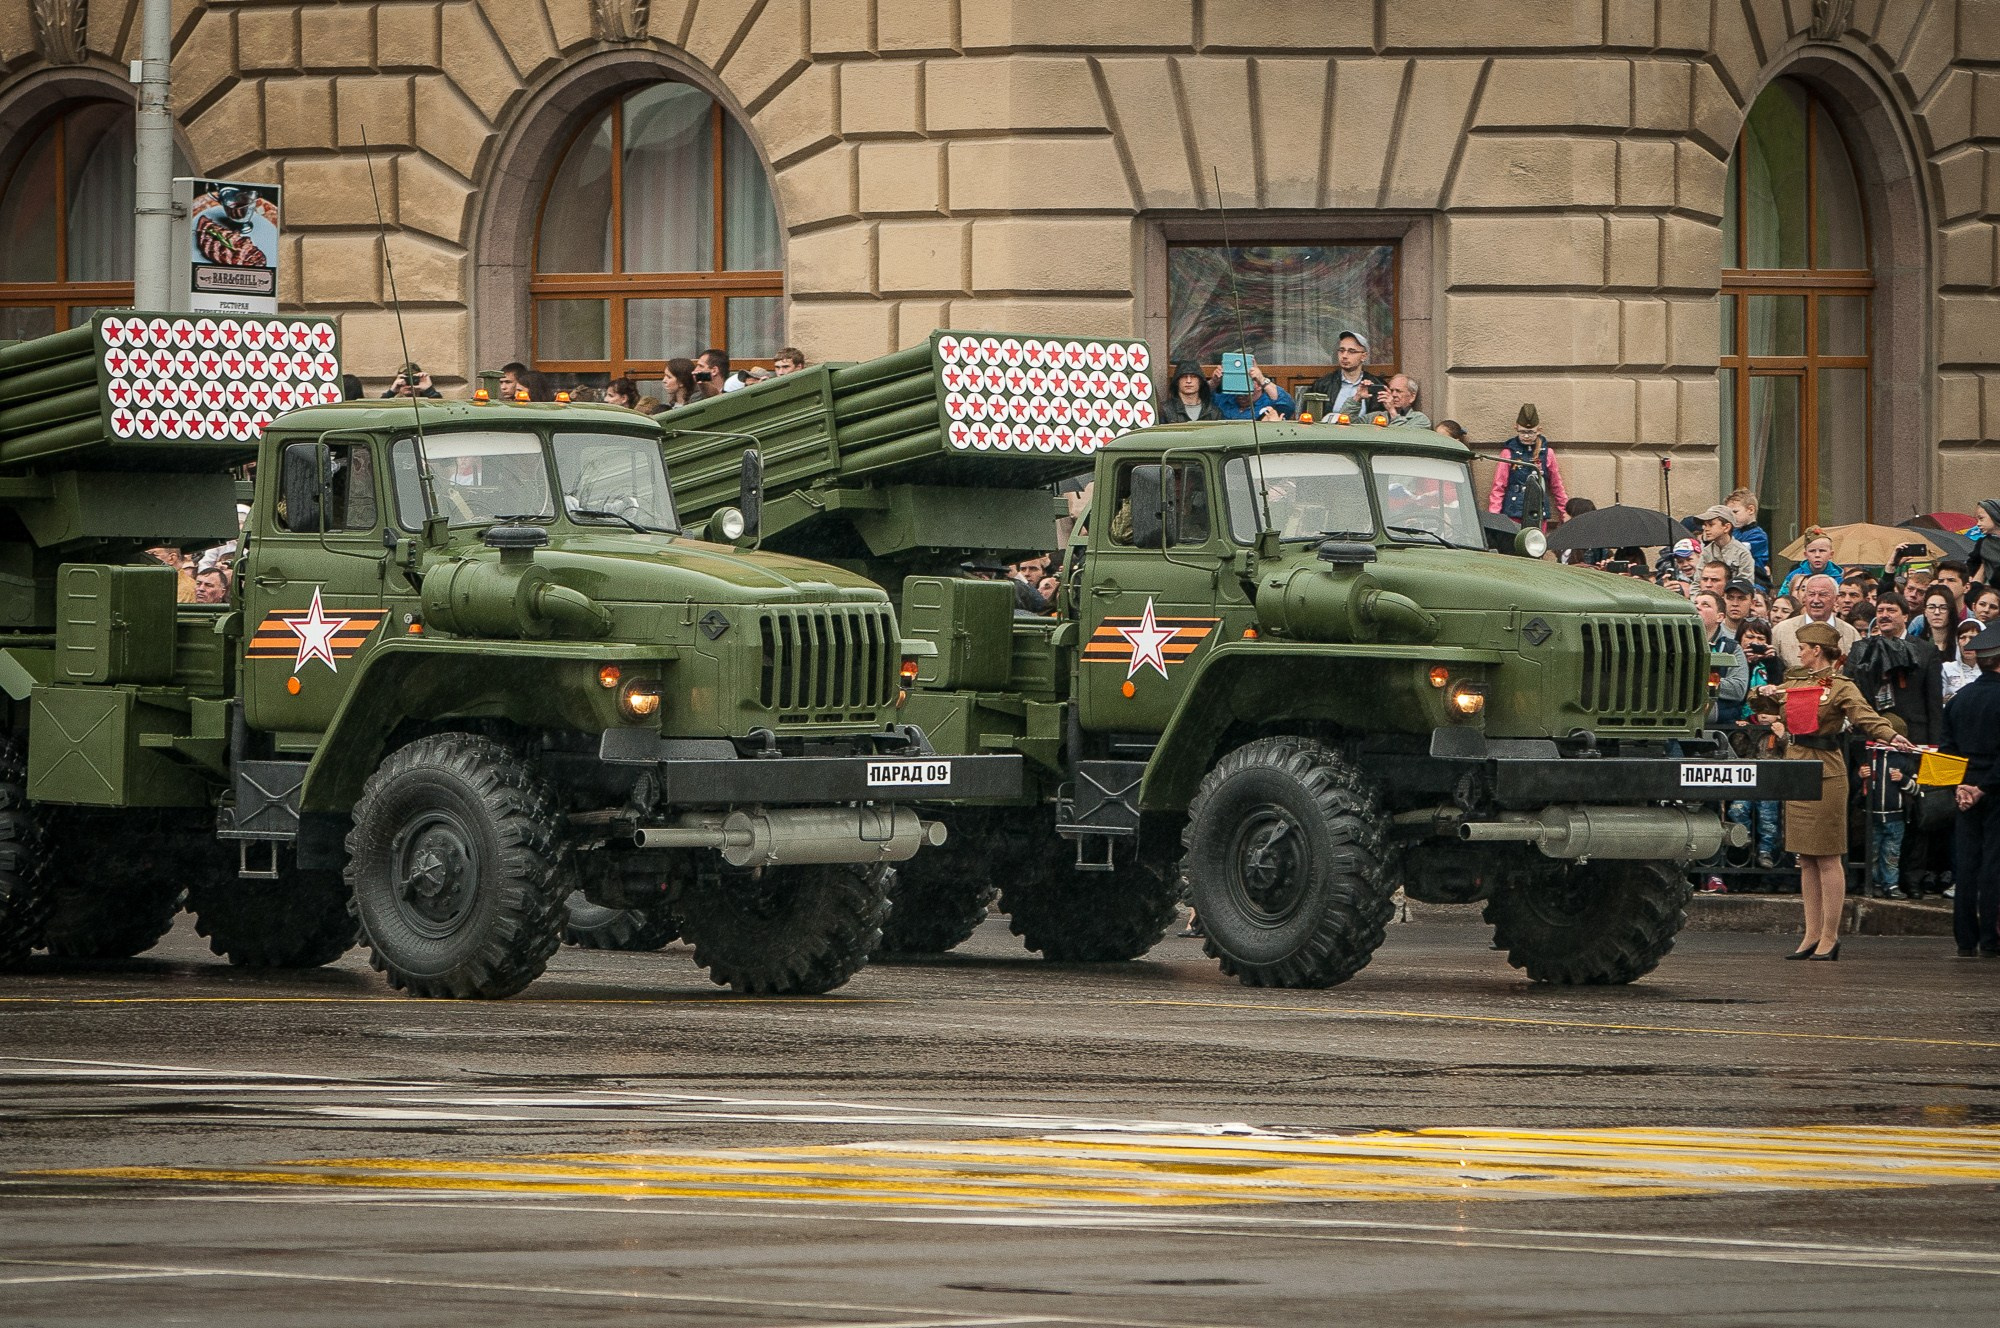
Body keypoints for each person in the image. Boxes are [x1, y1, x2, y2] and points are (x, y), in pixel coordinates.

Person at [1749, 622, 1916, 959]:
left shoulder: (1840, 686)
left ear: (1817, 651)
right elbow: (1760, 707)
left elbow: (1865, 715)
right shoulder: (1795, 680)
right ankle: (1810, 934)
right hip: (1796, 766)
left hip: (1825, 768)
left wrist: (1890, 735)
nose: (1798, 651)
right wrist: (1762, 693)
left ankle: (1830, 935)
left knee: (1826, 855)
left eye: (1804, 647)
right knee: (1805, 857)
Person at [1940, 619, 2000, 957]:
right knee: (1993, 864)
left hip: (1964, 787)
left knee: (1967, 863)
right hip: (1993, 789)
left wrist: (1961, 786)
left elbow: (1947, 748)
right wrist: (1983, 787)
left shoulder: (1959, 699)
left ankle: (1965, 938)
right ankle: (1991, 938)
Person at [1729, 617, 1784, 869]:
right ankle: (1739, 853)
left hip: (1768, 743)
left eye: (1761, 640)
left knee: (1768, 807)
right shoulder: (1733, 662)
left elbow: (1783, 692)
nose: (1755, 644)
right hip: (1741, 741)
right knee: (1739, 806)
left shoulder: (1775, 664)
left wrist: (1772, 662)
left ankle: (1766, 854)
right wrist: (1745, 663)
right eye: (1749, 638)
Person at [1487, 403, 1568, 528]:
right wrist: (1494, 517)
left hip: (1538, 510)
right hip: (1513, 511)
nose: (1526, 436)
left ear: (1539, 430)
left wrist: (1565, 513)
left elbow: (1557, 486)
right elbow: (1498, 486)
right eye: (1522, 432)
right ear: (1516, 428)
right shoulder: (1508, 453)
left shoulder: (1547, 453)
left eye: (1530, 432)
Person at [1772, 574, 1861, 667]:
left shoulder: (1851, 634)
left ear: (1836, 599)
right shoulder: (1781, 632)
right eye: (1811, 594)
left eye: (1823, 595)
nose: (1816, 600)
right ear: (1804, 598)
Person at [1694, 591, 1748, 726]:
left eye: (1705, 605)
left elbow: (1738, 689)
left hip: (1718, 724)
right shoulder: (1676, 645)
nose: (1697, 607)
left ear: (1720, 617)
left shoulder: (1732, 648)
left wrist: (1698, 681)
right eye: (1695, 603)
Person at [1306, 330, 1384, 418]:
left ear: (1364, 356)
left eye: (1351, 351)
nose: (1344, 356)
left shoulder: (1377, 385)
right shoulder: (1323, 384)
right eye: (1341, 350)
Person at [1692, 503, 1756, 585]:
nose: (1706, 529)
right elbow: (1697, 583)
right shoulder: (1706, 552)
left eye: (1711, 525)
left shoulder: (1742, 553)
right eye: (1705, 525)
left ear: (1726, 527)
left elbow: (1746, 585)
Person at [1215, 361, 1294, 421]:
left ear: (1259, 386)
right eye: (1238, 383)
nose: (1241, 392)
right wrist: (1214, 382)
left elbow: (1288, 405)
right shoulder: (1226, 399)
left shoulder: (1269, 403)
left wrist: (1262, 380)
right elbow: (1205, 398)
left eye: (1246, 383)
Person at [1777, 530, 1843, 596]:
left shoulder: (1838, 578)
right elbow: (1783, 598)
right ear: (1805, 555)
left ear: (1831, 554)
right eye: (1812, 551)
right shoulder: (1794, 576)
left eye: (1822, 551)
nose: (1817, 555)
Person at [1725, 487, 1771, 581]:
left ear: (1750, 510)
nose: (1732, 517)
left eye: (1735, 512)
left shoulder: (1758, 535)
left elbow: (1738, 552)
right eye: (1729, 513)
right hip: (1734, 575)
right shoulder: (1733, 532)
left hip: (1755, 577)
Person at [1943, 617, 1984, 702]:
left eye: (1973, 638)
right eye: (1962, 638)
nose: (1967, 643)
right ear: (1957, 641)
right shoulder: (1946, 669)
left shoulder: (1991, 671)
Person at [1913, 585, 1961, 655]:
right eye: (1931, 607)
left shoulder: (1960, 645)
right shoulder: (1916, 646)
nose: (1937, 612)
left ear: (1950, 611)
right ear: (1925, 612)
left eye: (1943, 608)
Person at [1970, 500, 2000, 585]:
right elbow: (1972, 565)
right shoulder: (1982, 543)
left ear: (1995, 516)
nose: (1978, 524)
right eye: (1977, 520)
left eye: (1981, 518)